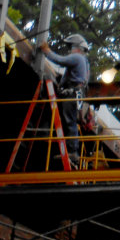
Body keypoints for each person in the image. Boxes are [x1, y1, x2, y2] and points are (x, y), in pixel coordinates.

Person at [40, 33, 90, 167]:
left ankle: (72, 151)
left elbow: (60, 60)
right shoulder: (84, 62)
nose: (70, 51)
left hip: (72, 93)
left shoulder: (77, 57)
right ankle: (71, 150)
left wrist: (47, 51)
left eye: (71, 47)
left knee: (69, 121)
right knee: (69, 120)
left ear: (77, 47)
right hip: (76, 93)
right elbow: (68, 75)